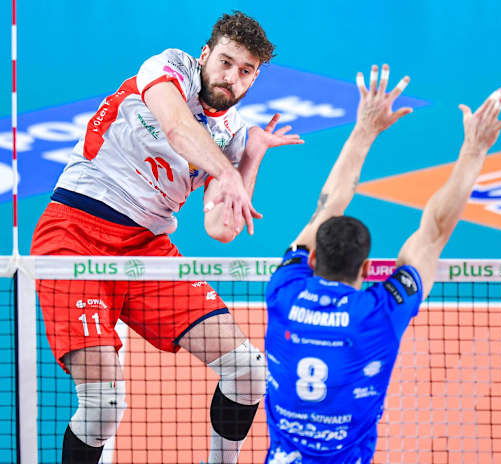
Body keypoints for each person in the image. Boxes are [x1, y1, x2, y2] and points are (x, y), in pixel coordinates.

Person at [30, 11, 303, 464]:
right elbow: (177, 128)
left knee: (248, 371)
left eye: (246, 71)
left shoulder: (232, 133)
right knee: (103, 407)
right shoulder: (167, 68)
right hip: (75, 232)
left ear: (255, 78)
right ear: (205, 55)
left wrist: (250, 157)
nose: (231, 77)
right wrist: (226, 171)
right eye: (226, 62)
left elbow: (221, 228)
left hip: (146, 249)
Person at [262, 64, 501, 464]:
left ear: (311, 259)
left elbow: (327, 208)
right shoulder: (378, 313)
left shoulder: (282, 290)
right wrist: (474, 150)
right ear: (366, 271)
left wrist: (364, 130)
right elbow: (433, 231)